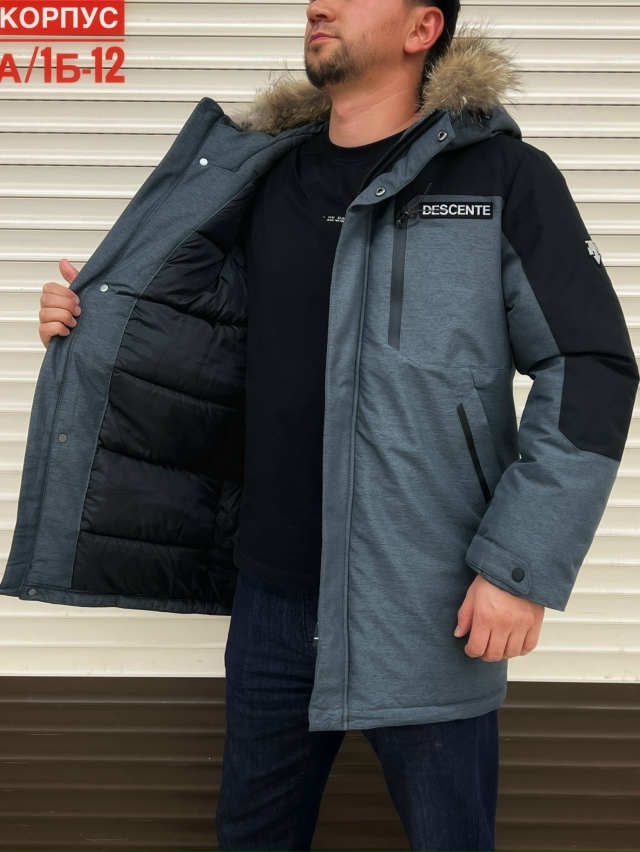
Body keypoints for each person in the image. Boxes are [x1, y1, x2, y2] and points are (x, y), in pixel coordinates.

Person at [9, 1, 639, 850]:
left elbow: (591, 367)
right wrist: (94, 321)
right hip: (269, 599)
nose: (319, 4)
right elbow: (207, 336)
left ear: (422, 30)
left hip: (429, 603)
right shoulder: (261, 175)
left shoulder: (503, 178)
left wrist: (520, 566)